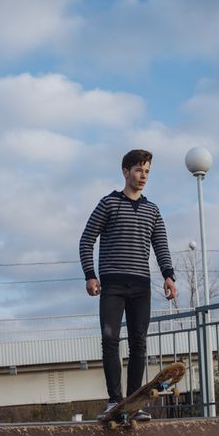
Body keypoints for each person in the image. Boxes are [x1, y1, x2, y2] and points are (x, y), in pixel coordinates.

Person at [79, 149, 177, 421]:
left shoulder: (152, 210)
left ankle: (134, 403)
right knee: (110, 340)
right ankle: (114, 401)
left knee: (139, 343)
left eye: (147, 171)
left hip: (140, 287)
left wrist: (169, 275)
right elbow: (86, 239)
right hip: (112, 285)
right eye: (138, 170)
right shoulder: (109, 204)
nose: (143, 175)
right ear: (125, 172)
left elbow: (161, 245)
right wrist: (90, 274)